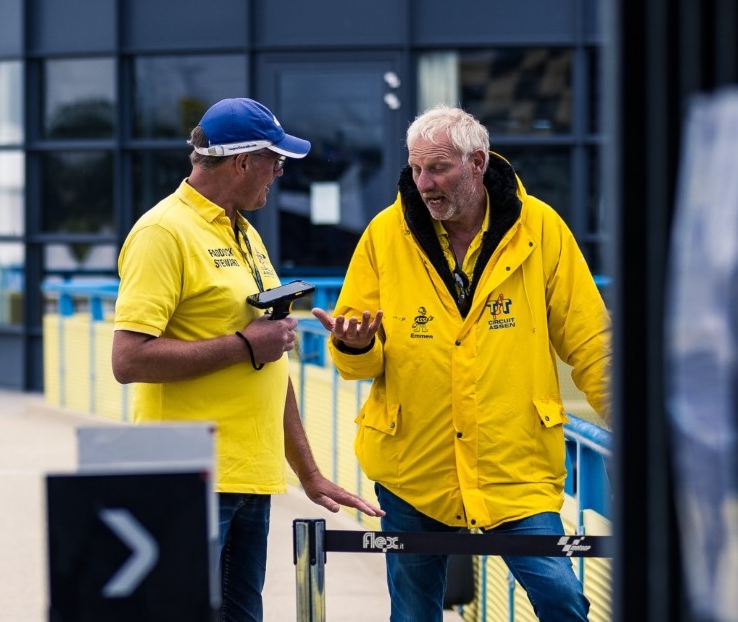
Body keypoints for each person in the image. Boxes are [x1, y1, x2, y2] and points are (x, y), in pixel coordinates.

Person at [313, 104, 611, 621]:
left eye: (438, 168)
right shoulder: (386, 234)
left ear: (477, 163)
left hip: (515, 467)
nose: (423, 182)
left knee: (561, 598)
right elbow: (356, 365)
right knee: (413, 612)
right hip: (413, 468)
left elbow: (591, 343)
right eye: (415, 169)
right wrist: (356, 346)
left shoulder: (542, 228)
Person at [112, 97, 383, 622]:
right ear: (242, 162)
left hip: (248, 475)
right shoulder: (161, 233)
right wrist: (243, 345)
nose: (279, 174)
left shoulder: (244, 232)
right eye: (276, 161)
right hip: (187, 475)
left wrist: (308, 472)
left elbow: (268, 363)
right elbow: (129, 359)